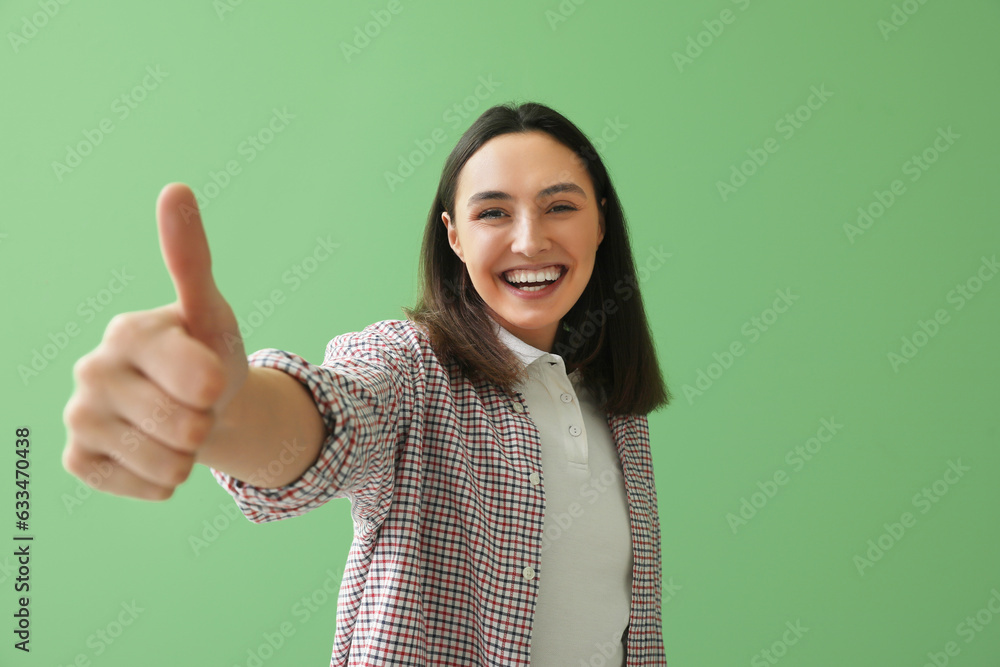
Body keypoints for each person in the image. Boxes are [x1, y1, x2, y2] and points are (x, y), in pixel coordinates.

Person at [61, 101, 671, 666]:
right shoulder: (408, 366)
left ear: (600, 224)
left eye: (560, 206)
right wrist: (224, 410)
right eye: (492, 212)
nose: (530, 239)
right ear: (454, 237)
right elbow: (340, 418)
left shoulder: (614, 407)